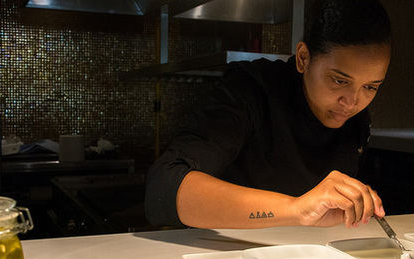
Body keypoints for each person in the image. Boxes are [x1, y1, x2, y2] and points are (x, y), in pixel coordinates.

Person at [145, 0, 391, 230]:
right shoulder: (252, 90)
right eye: (339, 80)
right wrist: (296, 210)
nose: (352, 102)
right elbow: (163, 186)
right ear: (304, 58)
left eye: (371, 87)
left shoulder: (357, 118)